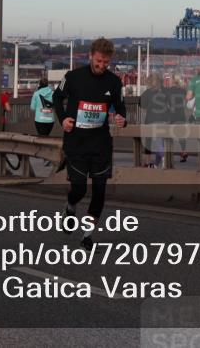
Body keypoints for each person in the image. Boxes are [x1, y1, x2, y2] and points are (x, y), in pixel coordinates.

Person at [52, 37, 127, 250]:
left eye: (106, 63)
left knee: (99, 191)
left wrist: (122, 119)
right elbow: (57, 98)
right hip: (76, 142)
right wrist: (63, 119)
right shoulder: (73, 77)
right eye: (98, 61)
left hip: (101, 144)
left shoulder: (114, 82)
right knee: (79, 189)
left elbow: (121, 107)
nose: (102, 66)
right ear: (90, 56)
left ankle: (87, 235)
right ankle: (70, 206)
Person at [139, 74, 167, 168]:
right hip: (164, 119)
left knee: (155, 143)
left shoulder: (147, 92)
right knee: (160, 142)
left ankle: (164, 157)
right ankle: (156, 164)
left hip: (152, 120)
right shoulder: (164, 91)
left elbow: (141, 104)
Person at [165, 74, 188, 163]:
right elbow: (186, 101)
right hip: (181, 114)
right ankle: (183, 151)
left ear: (173, 80)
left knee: (169, 135)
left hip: (172, 115)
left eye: (171, 79)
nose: (170, 80)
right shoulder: (183, 90)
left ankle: (169, 155)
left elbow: (165, 103)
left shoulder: (168, 91)